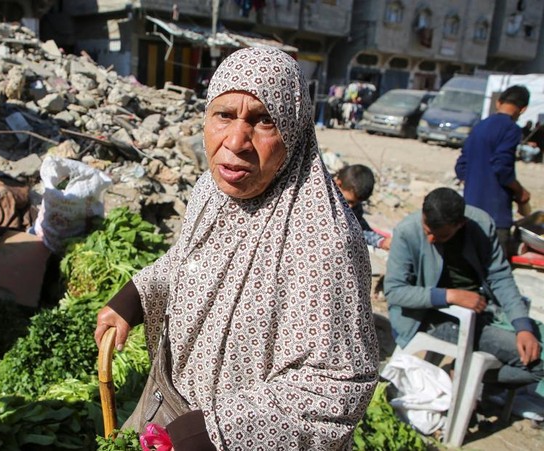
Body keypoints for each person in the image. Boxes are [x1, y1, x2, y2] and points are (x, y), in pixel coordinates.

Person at [94, 47, 379, 450]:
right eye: (224, 115)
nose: (236, 141)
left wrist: (212, 435)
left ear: (294, 129)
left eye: (263, 121)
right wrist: (135, 296)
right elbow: (190, 259)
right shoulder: (213, 190)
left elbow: (335, 387)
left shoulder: (324, 239)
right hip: (170, 410)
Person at [384, 187, 543, 393]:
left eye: (440, 235)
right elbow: (395, 291)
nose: (430, 239)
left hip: (484, 310)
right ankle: (465, 380)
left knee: (533, 343)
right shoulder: (407, 232)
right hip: (431, 317)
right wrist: (450, 296)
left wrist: (522, 326)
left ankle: (464, 377)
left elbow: (500, 277)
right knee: (537, 364)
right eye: (427, 230)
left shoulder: (482, 225)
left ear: (460, 224)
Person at [455, 85, 532, 259]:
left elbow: (461, 167)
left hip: (469, 210)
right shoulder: (511, 129)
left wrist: (475, 182)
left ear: (498, 103)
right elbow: (502, 167)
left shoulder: (479, 126)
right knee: (495, 269)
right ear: (523, 109)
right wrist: (520, 191)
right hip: (495, 214)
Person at [335, 164, 392, 250]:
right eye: (349, 201)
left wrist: (381, 241)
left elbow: (360, 230)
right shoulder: (317, 195)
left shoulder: (355, 209)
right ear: (338, 184)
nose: (350, 207)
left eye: (356, 203)